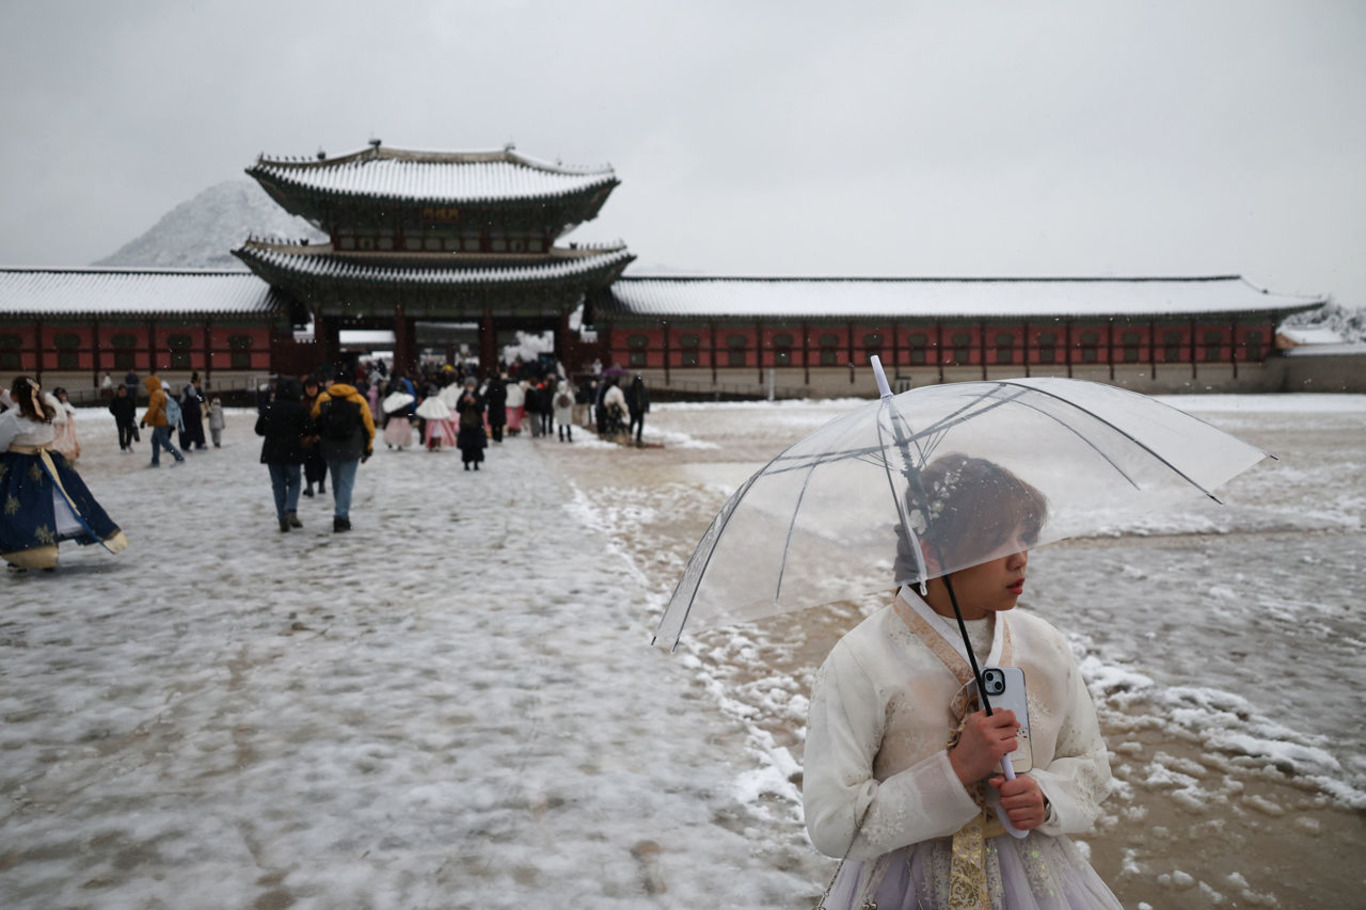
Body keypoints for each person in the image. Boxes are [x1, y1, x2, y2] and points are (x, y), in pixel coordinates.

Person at [802, 455, 1121, 909]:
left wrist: (1046, 797)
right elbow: (834, 823)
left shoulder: (1043, 646)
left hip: (1034, 882)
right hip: (907, 884)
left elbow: (1089, 764)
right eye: (996, 543)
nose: (1020, 558)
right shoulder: (862, 660)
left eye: (1025, 537)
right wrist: (955, 772)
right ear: (931, 552)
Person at [0, 377, 128, 571]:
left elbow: (2, 440)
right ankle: (47, 552)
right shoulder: (46, 410)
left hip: (22, 469)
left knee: (24, 512)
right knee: (56, 508)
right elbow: (24, 409)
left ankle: (28, 555)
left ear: (16, 395)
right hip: (51, 465)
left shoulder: (12, 417)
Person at [311, 366, 375, 533]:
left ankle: (340, 511)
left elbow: (314, 421)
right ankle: (341, 516)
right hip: (351, 446)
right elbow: (368, 427)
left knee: (336, 481)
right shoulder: (359, 400)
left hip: (329, 446)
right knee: (347, 482)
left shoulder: (323, 398)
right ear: (351, 382)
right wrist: (367, 448)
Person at [255, 378, 308, 533]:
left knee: (278, 485)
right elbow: (309, 428)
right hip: (293, 451)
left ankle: (282, 517)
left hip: (273, 452)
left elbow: (259, 430)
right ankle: (291, 508)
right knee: (294, 481)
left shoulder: (269, 408)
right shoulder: (299, 408)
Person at [140, 375, 185, 467]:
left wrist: (144, 420)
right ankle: (155, 461)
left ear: (152, 385)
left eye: (147, 386)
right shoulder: (161, 392)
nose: (146, 388)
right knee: (155, 440)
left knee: (165, 442)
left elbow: (153, 409)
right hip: (161, 421)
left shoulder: (156, 394)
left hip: (161, 422)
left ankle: (179, 457)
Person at [300, 376, 328, 498]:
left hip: (321, 437)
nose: (311, 390)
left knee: (322, 461)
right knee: (308, 462)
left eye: (313, 387)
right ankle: (309, 484)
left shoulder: (323, 401)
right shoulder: (302, 402)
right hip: (307, 438)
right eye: (308, 387)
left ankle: (322, 483)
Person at [455, 378, 487, 470]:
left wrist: (475, 403)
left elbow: (482, 408)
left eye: (472, 385)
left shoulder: (478, 396)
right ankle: (466, 463)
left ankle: (476, 463)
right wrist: (464, 402)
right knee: (466, 446)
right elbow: (458, 408)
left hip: (476, 424)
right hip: (465, 425)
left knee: (476, 446)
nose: (470, 387)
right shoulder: (462, 396)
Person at [48, 387, 80, 463]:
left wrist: (68, 410)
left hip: (68, 426)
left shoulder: (66, 403)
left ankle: (68, 454)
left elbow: (73, 410)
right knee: (58, 440)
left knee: (69, 439)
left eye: (63, 394)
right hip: (59, 426)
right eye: (60, 394)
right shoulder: (54, 404)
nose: (62, 396)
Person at [179, 375, 208, 451]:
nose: (199, 385)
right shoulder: (188, 390)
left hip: (192, 414)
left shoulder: (195, 390)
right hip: (189, 414)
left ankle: (196, 444)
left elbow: (199, 399)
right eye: (198, 383)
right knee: (190, 430)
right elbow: (183, 401)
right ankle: (187, 445)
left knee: (195, 430)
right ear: (195, 382)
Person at [108, 384, 138, 453]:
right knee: (121, 433)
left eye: (124, 391)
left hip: (129, 418)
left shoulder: (129, 398)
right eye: (121, 391)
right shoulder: (115, 399)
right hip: (119, 419)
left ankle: (128, 444)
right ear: (118, 391)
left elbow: (133, 407)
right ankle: (122, 447)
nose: (123, 392)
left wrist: (133, 415)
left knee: (130, 432)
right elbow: (111, 408)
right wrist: (116, 414)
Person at [626, 375, 650, 446]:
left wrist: (647, 407)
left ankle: (638, 438)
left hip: (640, 410)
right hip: (633, 410)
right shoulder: (631, 390)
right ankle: (629, 436)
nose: (638, 383)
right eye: (637, 382)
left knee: (640, 424)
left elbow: (646, 400)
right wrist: (630, 407)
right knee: (632, 423)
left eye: (639, 382)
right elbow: (628, 399)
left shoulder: (643, 390)